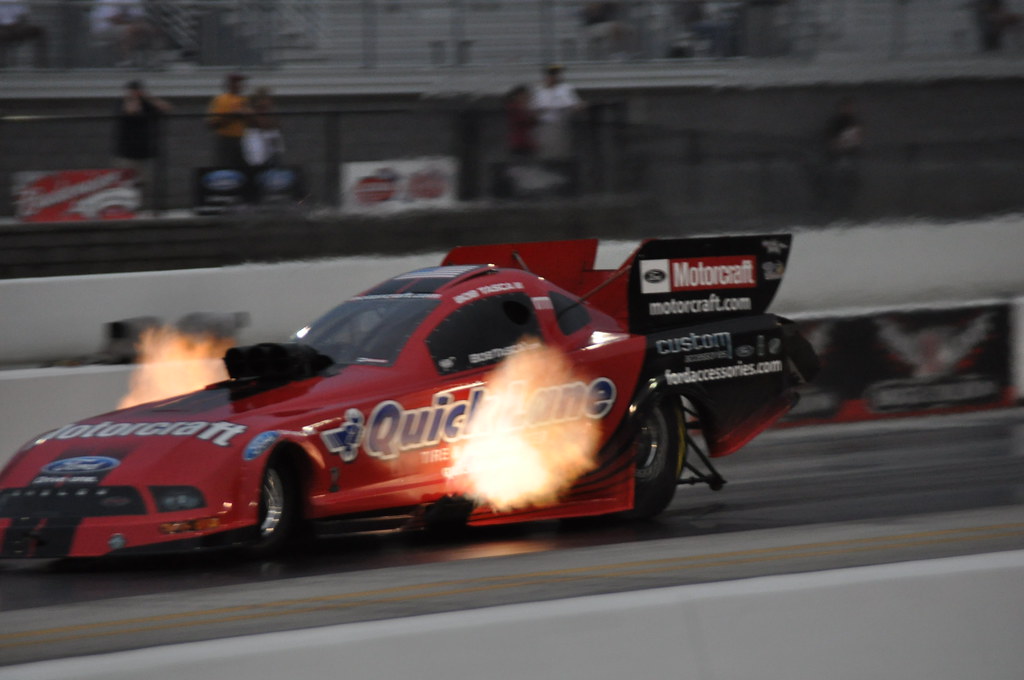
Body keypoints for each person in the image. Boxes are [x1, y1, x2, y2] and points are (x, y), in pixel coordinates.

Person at [113, 80, 171, 207]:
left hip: (145, 152)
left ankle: (139, 207)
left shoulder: (147, 104)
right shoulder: (121, 103)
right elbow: (131, 111)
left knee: (142, 183)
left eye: (137, 91)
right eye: (132, 91)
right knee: (125, 182)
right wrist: (132, 99)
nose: (135, 93)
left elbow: (166, 108)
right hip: (126, 153)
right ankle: (124, 207)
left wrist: (148, 98)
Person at [529, 64, 586, 161]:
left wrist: (574, 108)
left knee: (561, 152)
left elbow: (576, 105)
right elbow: (532, 108)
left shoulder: (565, 89)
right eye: (552, 75)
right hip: (544, 125)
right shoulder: (539, 90)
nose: (555, 77)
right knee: (545, 151)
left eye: (556, 74)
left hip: (562, 124)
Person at [820, 96, 864, 214]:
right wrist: (838, 146)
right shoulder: (836, 123)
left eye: (851, 107)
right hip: (839, 157)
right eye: (847, 107)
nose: (849, 109)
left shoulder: (854, 121)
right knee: (839, 181)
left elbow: (857, 138)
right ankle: (838, 206)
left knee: (851, 181)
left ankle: (845, 205)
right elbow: (831, 140)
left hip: (850, 156)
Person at [90, 0, 157, 66]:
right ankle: (126, 59)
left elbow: (140, 16)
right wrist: (132, 23)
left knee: (146, 29)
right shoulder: (108, 1)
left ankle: (150, 59)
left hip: (126, 26)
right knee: (130, 30)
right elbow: (114, 19)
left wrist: (136, 23)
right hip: (104, 28)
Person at [206, 73, 252, 169]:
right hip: (226, 139)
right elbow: (213, 123)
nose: (240, 85)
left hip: (242, 139)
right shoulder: (222, 99)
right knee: (225, 166)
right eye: (237, 82)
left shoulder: (244, 100)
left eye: (241, 83)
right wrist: (233, 116)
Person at [242, 86, 286, 168]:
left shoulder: (271, 112)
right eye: (263, 99)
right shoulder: (251, 112)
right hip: (256, 140)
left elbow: (275, 125)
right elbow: (261, 124)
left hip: (271, 141)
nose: (266, 102)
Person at [0, 0, 48, 68]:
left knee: (40, 32)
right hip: (2, 29)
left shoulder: (18, 1)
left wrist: (17, 26)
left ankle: (41, 64)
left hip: (17, 28)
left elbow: (23, 17)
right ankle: (2, 65)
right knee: (2, 35)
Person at [505, 84, 537, 158]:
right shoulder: (514, 107)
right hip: (519, 142)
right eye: (525, 95)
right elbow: (524, 121)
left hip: (525, 141)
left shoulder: (521, 107)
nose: (527, 98)